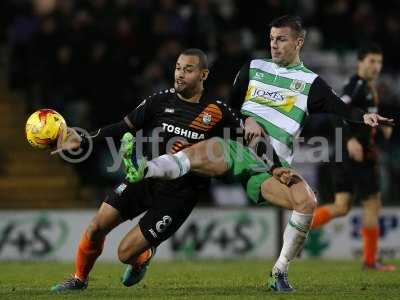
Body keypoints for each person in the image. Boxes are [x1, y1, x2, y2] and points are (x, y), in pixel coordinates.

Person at [122, 15, 394, 292]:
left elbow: (342, 108)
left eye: (281, 39)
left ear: (299, 42)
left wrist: (365, 118)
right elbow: (228, 109)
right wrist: (245, 119)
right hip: (237, 146)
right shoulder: (253, 68)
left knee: (307, 202)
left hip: (269, 165)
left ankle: (279, 272)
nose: (274, 45)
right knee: (202, 151)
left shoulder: (311, 84)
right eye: (272, 39)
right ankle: (143, 168)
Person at [50, 48, 243, 292]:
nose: (180, 74)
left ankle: (144, 255)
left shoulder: (219, 112)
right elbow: (123, 127)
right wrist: (85, 139)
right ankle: (79, 279)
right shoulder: (160, 100)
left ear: (204, 74)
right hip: (145, 176)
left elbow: (242, 146)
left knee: (124, 253)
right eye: (178, 68)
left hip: (180, 195)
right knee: (96, 226)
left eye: (188, 69)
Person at [310, 44, 396, 271]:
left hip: (343, 152)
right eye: (371, 61)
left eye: (379, 62)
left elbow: (362, 118)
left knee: (341, 206)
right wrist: (350, 140)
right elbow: (337, 111)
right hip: (355, 153)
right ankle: (370, 261)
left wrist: (382, 126)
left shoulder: (366, 87)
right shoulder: (356, 85)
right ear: (360, 62)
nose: (376, 67)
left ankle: (298, 225)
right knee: (372, 204)